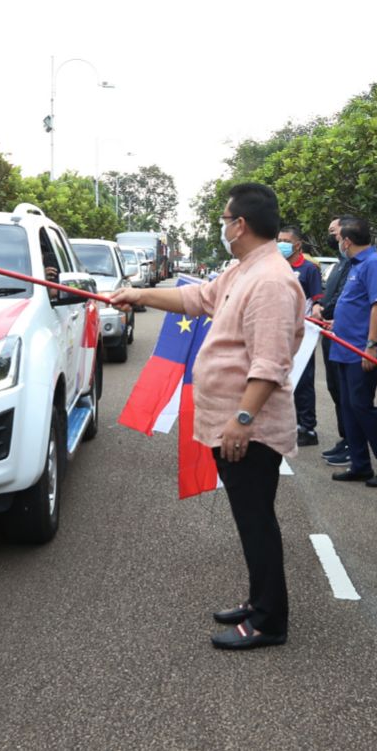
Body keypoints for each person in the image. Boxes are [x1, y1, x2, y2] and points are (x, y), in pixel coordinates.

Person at [110, 182, 304, 651]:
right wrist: (139, 296)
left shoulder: (272, 281)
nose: (221, 226)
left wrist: (242, 421)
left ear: (240, 225)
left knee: (257, 519)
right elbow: (195, 300)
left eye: (224, 218)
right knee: (249, 518)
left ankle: (270, 621)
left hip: (248, 429)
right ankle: (260, 601)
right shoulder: (244, 271)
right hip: (231, 422)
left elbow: (270, 364)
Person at [327, 217, 377, 487]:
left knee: (362, 406)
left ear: (347, 241)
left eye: (338, 239)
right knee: (349, 407)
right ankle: (360, 464)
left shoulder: (372, 264)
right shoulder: (357, 264)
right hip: (344, 348)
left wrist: (371, 345)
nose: (338, 244)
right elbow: (358, 305)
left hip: (360, 350)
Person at [278, 225, 324, 446]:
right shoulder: (276, 267)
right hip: (278, 332)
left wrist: (317, 308)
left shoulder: (309, 269)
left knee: (304, 380)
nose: (281, 244)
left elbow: (317, 299)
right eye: (278, 240)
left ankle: (308, 427)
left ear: (297, 245)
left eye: (285, 240)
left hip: (303, 333)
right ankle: (289, 423)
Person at [317, 217, 356, 465]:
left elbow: (343, 298)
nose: (334, 238)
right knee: (335, 390)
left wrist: (325, 310)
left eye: (335, 233)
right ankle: (346, 438)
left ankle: (354, 444)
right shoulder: (340, 263)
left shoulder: (356, 264)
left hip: (342, 334)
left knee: (347, 394)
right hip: (329, 332)